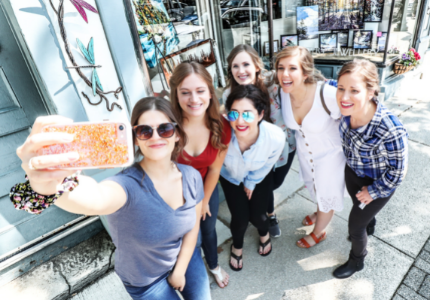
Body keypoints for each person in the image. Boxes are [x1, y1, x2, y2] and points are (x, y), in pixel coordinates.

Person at [13, 98, 211, 300]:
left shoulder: (191, 175)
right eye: (144, 131)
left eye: (165, 129)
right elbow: (97, 197)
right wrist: (47, 186)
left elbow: (193, 227)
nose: (155, 136)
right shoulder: (126, 185)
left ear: (177, 134)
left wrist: (180, 269)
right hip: (146, 280)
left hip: (185, 257)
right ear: (135, 138)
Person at [333, 59, 408, 279]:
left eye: (354, 90)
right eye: (341, 88)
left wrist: (373, 192)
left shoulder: (390, 128)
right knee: (363, 215)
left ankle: (357, 262)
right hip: (353, 174)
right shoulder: (347, 109)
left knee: (355, 228)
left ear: (371, 91)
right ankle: (370, 223)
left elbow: (397, 173)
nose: (344, 97)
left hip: (378, 185)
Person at [275, 46, 346, 249]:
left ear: (305, 72)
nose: (285, 74)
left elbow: (358, 110)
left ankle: (319, 232)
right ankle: (319, 212)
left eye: (292, 68)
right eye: (281, 68)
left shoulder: (327, 94)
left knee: (327, 193)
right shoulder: (283, 92)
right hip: (307, 155)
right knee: (316, 189)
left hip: (331, 156)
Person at [222, 44, 297, 238]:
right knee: (261, 182)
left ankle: (264, 210)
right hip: (252, 150)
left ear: (257, 65)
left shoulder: (274, 84)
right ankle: (269, 214)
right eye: (235, 66)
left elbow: (299, 78)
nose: (241, 71)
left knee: (274, 184)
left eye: (246, 64)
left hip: (281, 146)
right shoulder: (229, 95)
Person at [171, 62, 231, 288]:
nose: (194, 99)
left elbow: (215, 168)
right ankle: (180, 267)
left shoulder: (223, 126)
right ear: (176, 95)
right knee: (179, 234)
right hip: (173, 189)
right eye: (185, 92)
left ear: (210, 91)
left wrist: (203, 200)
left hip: (206, 186)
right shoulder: (168, 125)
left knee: (208, 229)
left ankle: (213, 266)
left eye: (200, 91)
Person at [219, 84, 285, 271]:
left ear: (260, 114)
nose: (239, 120)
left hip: (259, 175)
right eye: (234, 113)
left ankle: (264, 234)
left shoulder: (275, 137)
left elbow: (268, 163)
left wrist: (251, 181)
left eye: (247, 114)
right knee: (239, 219)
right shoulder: (220, 132)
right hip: (230, 176)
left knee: (259, 216)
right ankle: (237, 246)